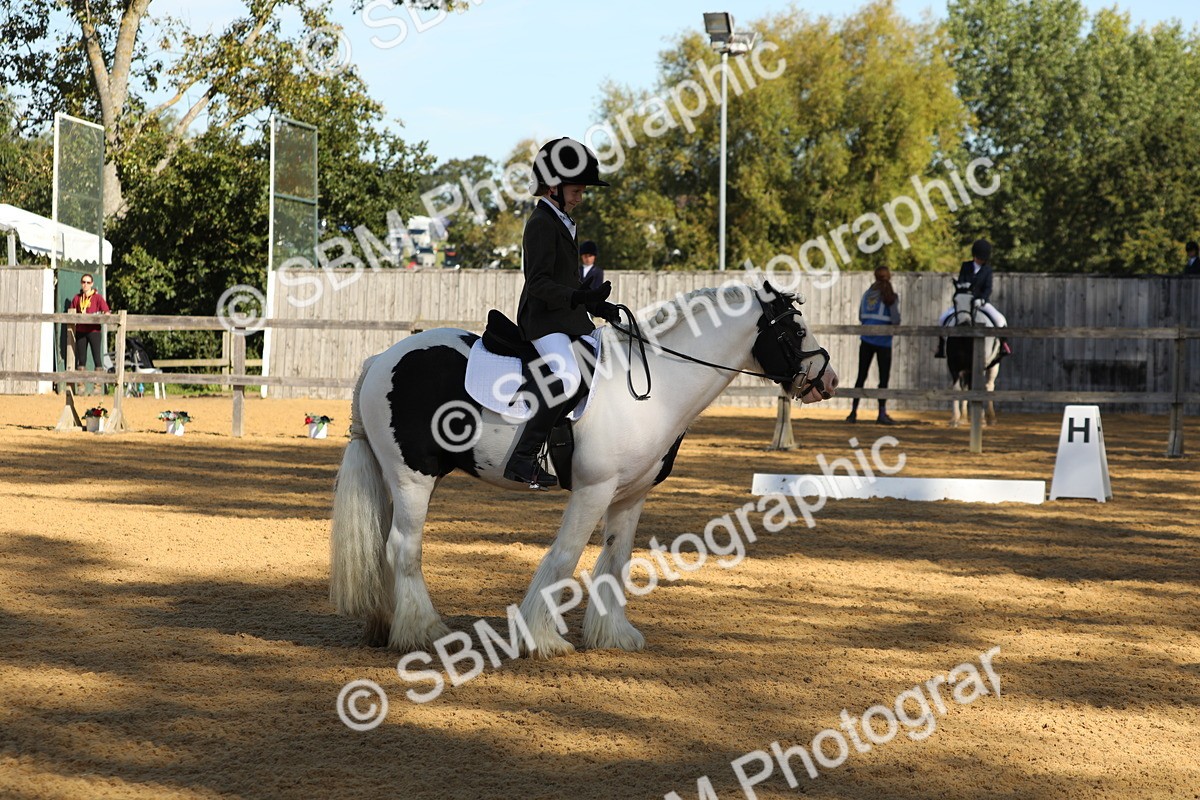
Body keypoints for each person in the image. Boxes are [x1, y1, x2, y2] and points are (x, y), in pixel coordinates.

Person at [505, 137, 619, 488]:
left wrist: (597, 304)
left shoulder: (565, 220)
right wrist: (579, 298)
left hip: (567, 318)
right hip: (542, 320)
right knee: (568, 377)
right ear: (554, 185)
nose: (580, 196)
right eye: (577, 189)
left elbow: (566, 280)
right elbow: (538, 283)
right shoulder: (541, 222)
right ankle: (523, 458)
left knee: (609, 364)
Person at [935, 238, 1010, 358]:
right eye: (980, 257)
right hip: (964, 303)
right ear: (975, 255)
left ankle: (1002, 346)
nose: (981, 260)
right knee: (942, 318)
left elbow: (988, 288)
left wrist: (981, 299)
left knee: (1000, 320)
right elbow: (961, 283)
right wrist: (966, 296)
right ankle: (941, 347)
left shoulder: (987, 270)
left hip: (981, 302)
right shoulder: (966, 266)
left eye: (983, 258)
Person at [846, 266, 900, 425]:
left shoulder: (867, 294)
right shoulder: (890, 296)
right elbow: (896, 320)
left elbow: (861, 316)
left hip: (867, 339)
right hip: (884, 341)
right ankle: (881, 414)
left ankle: (853, 412)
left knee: (861, 376)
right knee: (883, 378)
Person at [68, 273, 110, 383]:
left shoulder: (97, 298)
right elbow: (71, 313)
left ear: (92, 284)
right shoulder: (77, 298)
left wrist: (101, 317)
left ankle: (98, 384)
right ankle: (81, 385)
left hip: (94, 331)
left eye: (88, 282)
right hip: (81, 331)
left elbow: (107, 312)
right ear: (81, 284)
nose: (85, 284)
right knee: (81, 360)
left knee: (97, 358)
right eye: (83, 282)